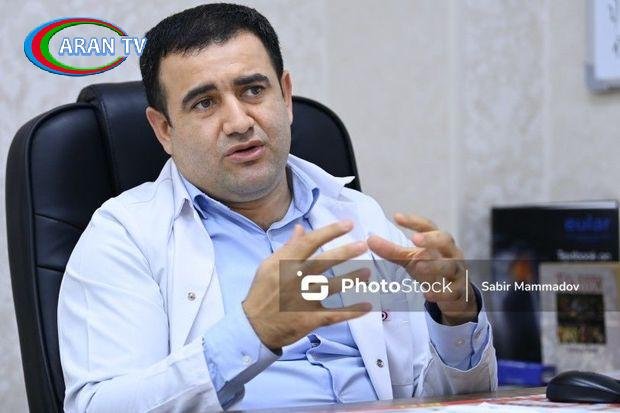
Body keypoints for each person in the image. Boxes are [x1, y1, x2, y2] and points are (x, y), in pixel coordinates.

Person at [57, 3, 497, 412]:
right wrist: (252, 332)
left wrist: (456, 317)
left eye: (253, 90)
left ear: (285, 97)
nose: (239, 122)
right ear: (164, 130)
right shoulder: (124, 237)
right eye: (205, 103)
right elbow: (98, 406)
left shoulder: (361, 217)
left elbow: (438, 401)